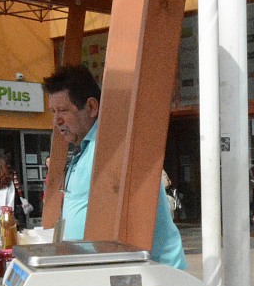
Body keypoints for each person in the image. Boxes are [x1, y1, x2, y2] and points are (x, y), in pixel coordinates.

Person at [43, 63, 186, 269]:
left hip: (153, 274)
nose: (57, 121)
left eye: (63, 110)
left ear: (91, 107)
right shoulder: (86, 149)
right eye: (53, 112)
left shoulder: (111, 149)